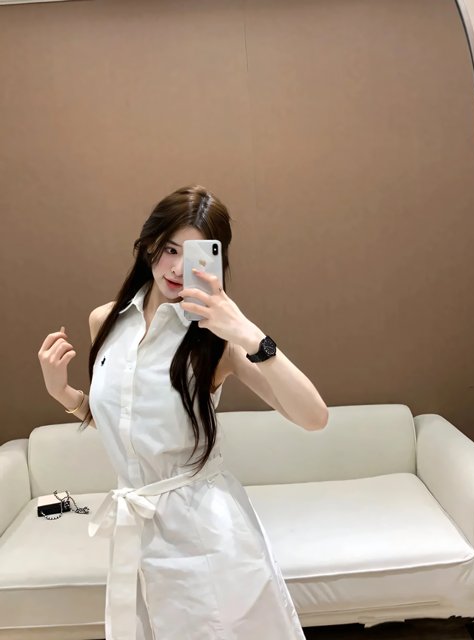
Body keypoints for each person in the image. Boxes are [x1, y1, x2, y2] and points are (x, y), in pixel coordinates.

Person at [38, 184, 328, 640]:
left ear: (214, 260)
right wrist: (65, 394)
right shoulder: (106, 321)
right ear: (149, 244)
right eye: (169, 248)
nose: (175, 268)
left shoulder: (218, 341)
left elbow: (314, 416)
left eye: (191, 255)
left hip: (206, 534)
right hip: (137, 536)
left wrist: (249, 334)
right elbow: (130, 426)